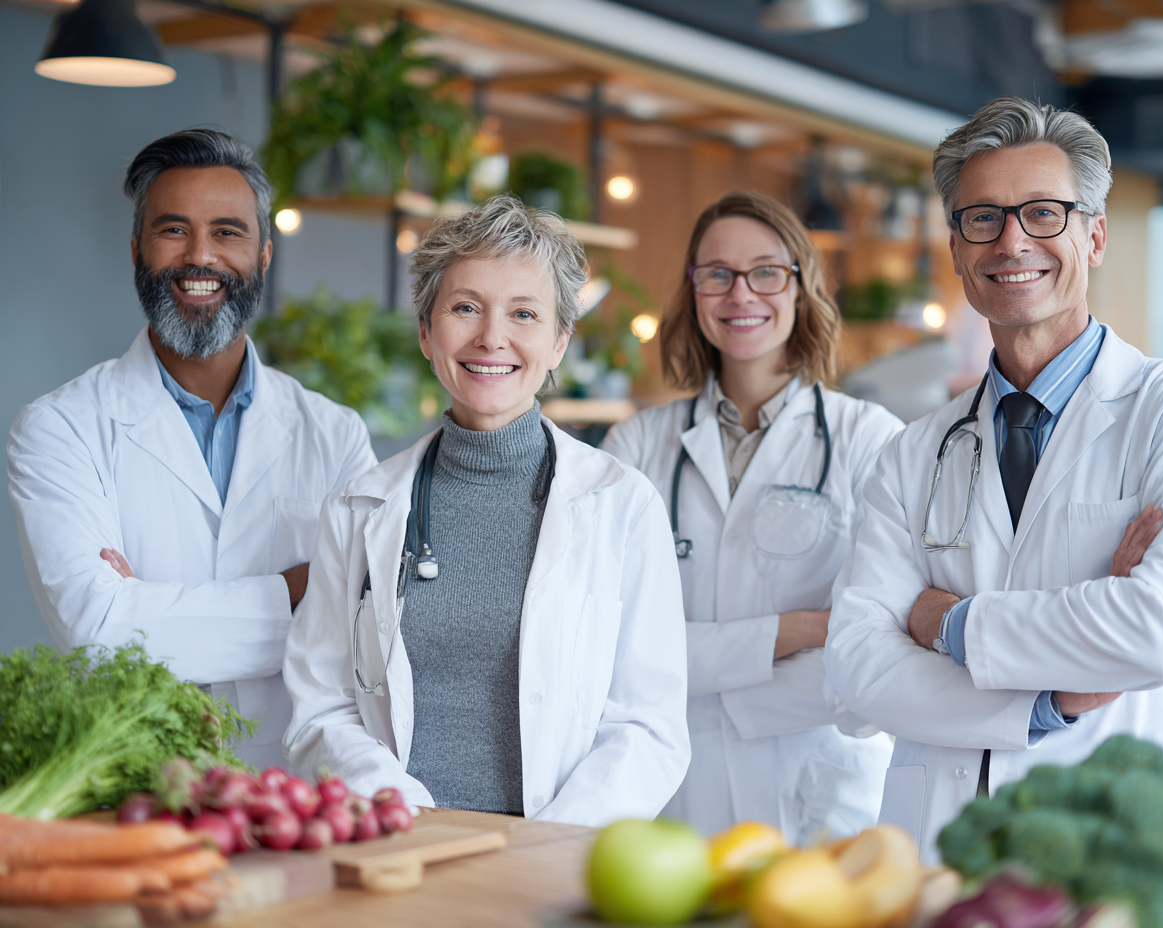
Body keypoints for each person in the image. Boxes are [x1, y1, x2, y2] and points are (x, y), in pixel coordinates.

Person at [824, 97, 1163, 861]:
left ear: (1095, 235)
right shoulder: (911, 453)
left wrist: (949, 625)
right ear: (956, 248)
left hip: (1121, 839)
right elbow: (857, 667)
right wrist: (1049, 701)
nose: (1012, 241)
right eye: (982, 218)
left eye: (1043, 213)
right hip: (940, 846)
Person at [282, 195, 689, 824]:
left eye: (524, 313)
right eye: (465, 307)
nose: (491, 337)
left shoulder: (621, 505)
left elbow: (648, 725)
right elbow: (321, 707)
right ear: (426, 331)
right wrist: (408, 817)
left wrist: (546, 849)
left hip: (555, 861)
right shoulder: (360, 508)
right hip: (400, 850)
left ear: (559, 342)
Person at [7, 129, 377, 768]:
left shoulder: (335, 434)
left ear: (263, 254)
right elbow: (98, 635)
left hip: (298, 785)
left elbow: (367, 630)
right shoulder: (57, 428)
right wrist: (299, 588)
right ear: (136, 250)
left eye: (228, 232)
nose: (199, 256)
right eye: (173, 230)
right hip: (136, 782)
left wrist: (145, 612)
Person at [601, 191, 902, 844]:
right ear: (693, 291)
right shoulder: (635, 448)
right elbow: (611, 647)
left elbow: (874, 650)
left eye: (766, 272)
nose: (741, 295)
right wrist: (793, 631)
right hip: (675, 789)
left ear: (800, 286)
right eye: (717, 275)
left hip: (821, 789)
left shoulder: (870, 440)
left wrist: (701, 668)